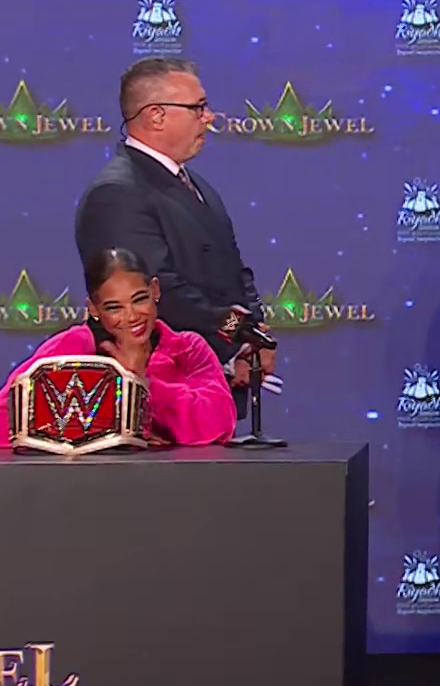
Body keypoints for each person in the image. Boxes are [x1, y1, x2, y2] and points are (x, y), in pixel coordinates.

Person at [73, 58, 281, 447]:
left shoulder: (195, 185)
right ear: (156, 115)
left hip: (204, 395)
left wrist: (254, 334)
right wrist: (239, 336)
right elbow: (160, 292)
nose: (210, 117)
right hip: (158, 404)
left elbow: (235, 270)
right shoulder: (117, 193)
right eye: (198, 107)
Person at [7, 248, 236, 448]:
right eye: (114, 307)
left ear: (155, 290)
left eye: (139, 299)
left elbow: (220, 423)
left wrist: (143, 382)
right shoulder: (73, 347)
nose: (132, 316)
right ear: (94, 309)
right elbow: (7, 415)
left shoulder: (188, 348)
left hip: (174, 480)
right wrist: (107, 434)